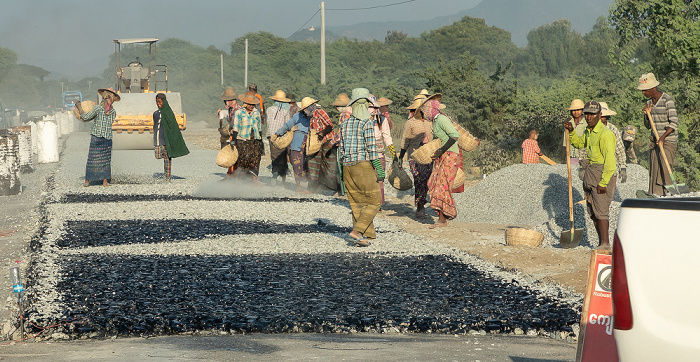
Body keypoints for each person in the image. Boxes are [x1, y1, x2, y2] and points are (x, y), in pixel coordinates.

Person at [564, 100, 616, 249]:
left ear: (600, 115)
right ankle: (601, 243)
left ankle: (605, 244)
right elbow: (579, 144)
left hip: (601, 173)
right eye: (587, 114)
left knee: (601, 211)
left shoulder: (605, 134)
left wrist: (604, 182)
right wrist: (572, 132)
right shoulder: (588, 131)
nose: (589, 117)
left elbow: (610, 163)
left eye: (592, 114)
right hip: (591, 170)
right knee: (592, 211)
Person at [338, 88, 385, 247]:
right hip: (362, 166)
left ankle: (363, 236)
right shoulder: (367, 123)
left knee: (357, 202)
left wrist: (341, 172)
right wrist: (379, 169)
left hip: (347, 167)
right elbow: (372, 150)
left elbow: (341, 149)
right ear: (364, 105)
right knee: (374, 201)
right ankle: (357, 231)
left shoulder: (344, 123)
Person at [418, 93, 460, 229]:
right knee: (434, 183)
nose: (425, 114)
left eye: (425, 111)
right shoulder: (435, 122)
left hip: (450, 155)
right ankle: (443, 216)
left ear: (431, 110)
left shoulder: (441, 119)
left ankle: (443, 219)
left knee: (442, 186)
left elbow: (454, 136)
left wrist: (442, 150)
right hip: (442, 156)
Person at [638, 72, 680, 196]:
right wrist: (647, 114)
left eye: (645, 90)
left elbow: (674, 123)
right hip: (655, 140)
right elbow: (647, 126)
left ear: (653, 88)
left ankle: (670, 193)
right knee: (655, 169)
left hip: (668, 140)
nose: (643, 93)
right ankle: (656, 194)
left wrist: (662, 137)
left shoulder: (667, 100)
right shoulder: (649, 103)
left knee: (665, 169)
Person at [76, 87, 120, 187]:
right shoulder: (113, 112)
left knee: (92, 159)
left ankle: (87, 181)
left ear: (103, 98)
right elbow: (109, 123)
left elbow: (86, 117)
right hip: (107, 138)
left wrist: (79, 108)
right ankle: (105, 181)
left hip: (96, 136)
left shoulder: (97, 108)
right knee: (105, 160)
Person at [398, 98, 433, 219]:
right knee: (418, 180)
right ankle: (420, 205)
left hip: (429, 154)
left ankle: (422, 200)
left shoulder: (431, 121)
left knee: (427, 180)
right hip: (414, 155)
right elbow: (405, 140)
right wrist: (400, 157)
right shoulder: (411, 122)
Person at [275, 97, 314, 193]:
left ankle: (309, 187)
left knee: (308, 165)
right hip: (296, 144)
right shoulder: (297, 116)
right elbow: (287, 126)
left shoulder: (314, 118)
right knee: (296, 165)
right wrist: (277, 134)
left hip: (309, 145)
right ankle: (299, 186)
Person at [305, 98, 340, 194]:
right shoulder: (309, 116)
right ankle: (312, 187)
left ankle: (335, 188)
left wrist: (322, 133)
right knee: (313, 163)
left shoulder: (320, 112)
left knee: (330, 165)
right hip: (317, 142)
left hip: (327, 140)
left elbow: (330, 125)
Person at [152, 93, 189, 181]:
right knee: (158, 155)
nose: (158, 104)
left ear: (164, 102)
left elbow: (173, 126)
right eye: (157, 102)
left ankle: (167, 177)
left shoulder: (169, 112)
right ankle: (166, 173)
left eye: (160, 102)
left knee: (167, 158)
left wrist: (173, 138)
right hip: (158, 139)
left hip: (167, 139)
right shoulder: (156, 114)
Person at [230, 91, 264, 183]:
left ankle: (254, 182)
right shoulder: (239, 113)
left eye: (253, 104)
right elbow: (236, 127)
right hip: (243, 139)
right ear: (245, 103)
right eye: (250, 104)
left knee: (256, 159)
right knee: (243, 159)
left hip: (255, 139)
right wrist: (233, 140)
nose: (251, 106)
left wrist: (261, 141)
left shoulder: (257, 113)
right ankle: (240, 180)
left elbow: (259, 127)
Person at [369, 95, 396, 207]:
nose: (372, 110)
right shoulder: (362, 120)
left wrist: (393, 154)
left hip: (378, 153)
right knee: (369, 178)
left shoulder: (381, 119)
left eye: (373, 107)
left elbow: (387, 137)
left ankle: (377, 203)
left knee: (379, 177)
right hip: (366, 153)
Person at [266, 90, 292, 187]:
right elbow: (287, 125)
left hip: (271, 136)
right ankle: (283, 181)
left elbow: (268, 122)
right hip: (281, 137)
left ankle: (274, 173)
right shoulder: (286, 112)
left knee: (274, 156)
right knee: (282, 156)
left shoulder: (269, 109)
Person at [599, 102, 627, 184]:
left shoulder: (612, 129)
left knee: (609, 193)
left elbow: (619, 148)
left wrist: (623, 167)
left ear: (607, 116)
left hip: (611, 167)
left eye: (603, 116)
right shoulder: (590, 129)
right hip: (596, 168)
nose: (600, 118)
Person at [564, 99, 587, 167]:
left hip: (583, 155)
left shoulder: (586, 123)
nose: (576, 112)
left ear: (582, 110)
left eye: (578, 110)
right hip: (571, 156)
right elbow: (565, 142)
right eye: (574, 110)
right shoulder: (568, 123)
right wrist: (563, 158)